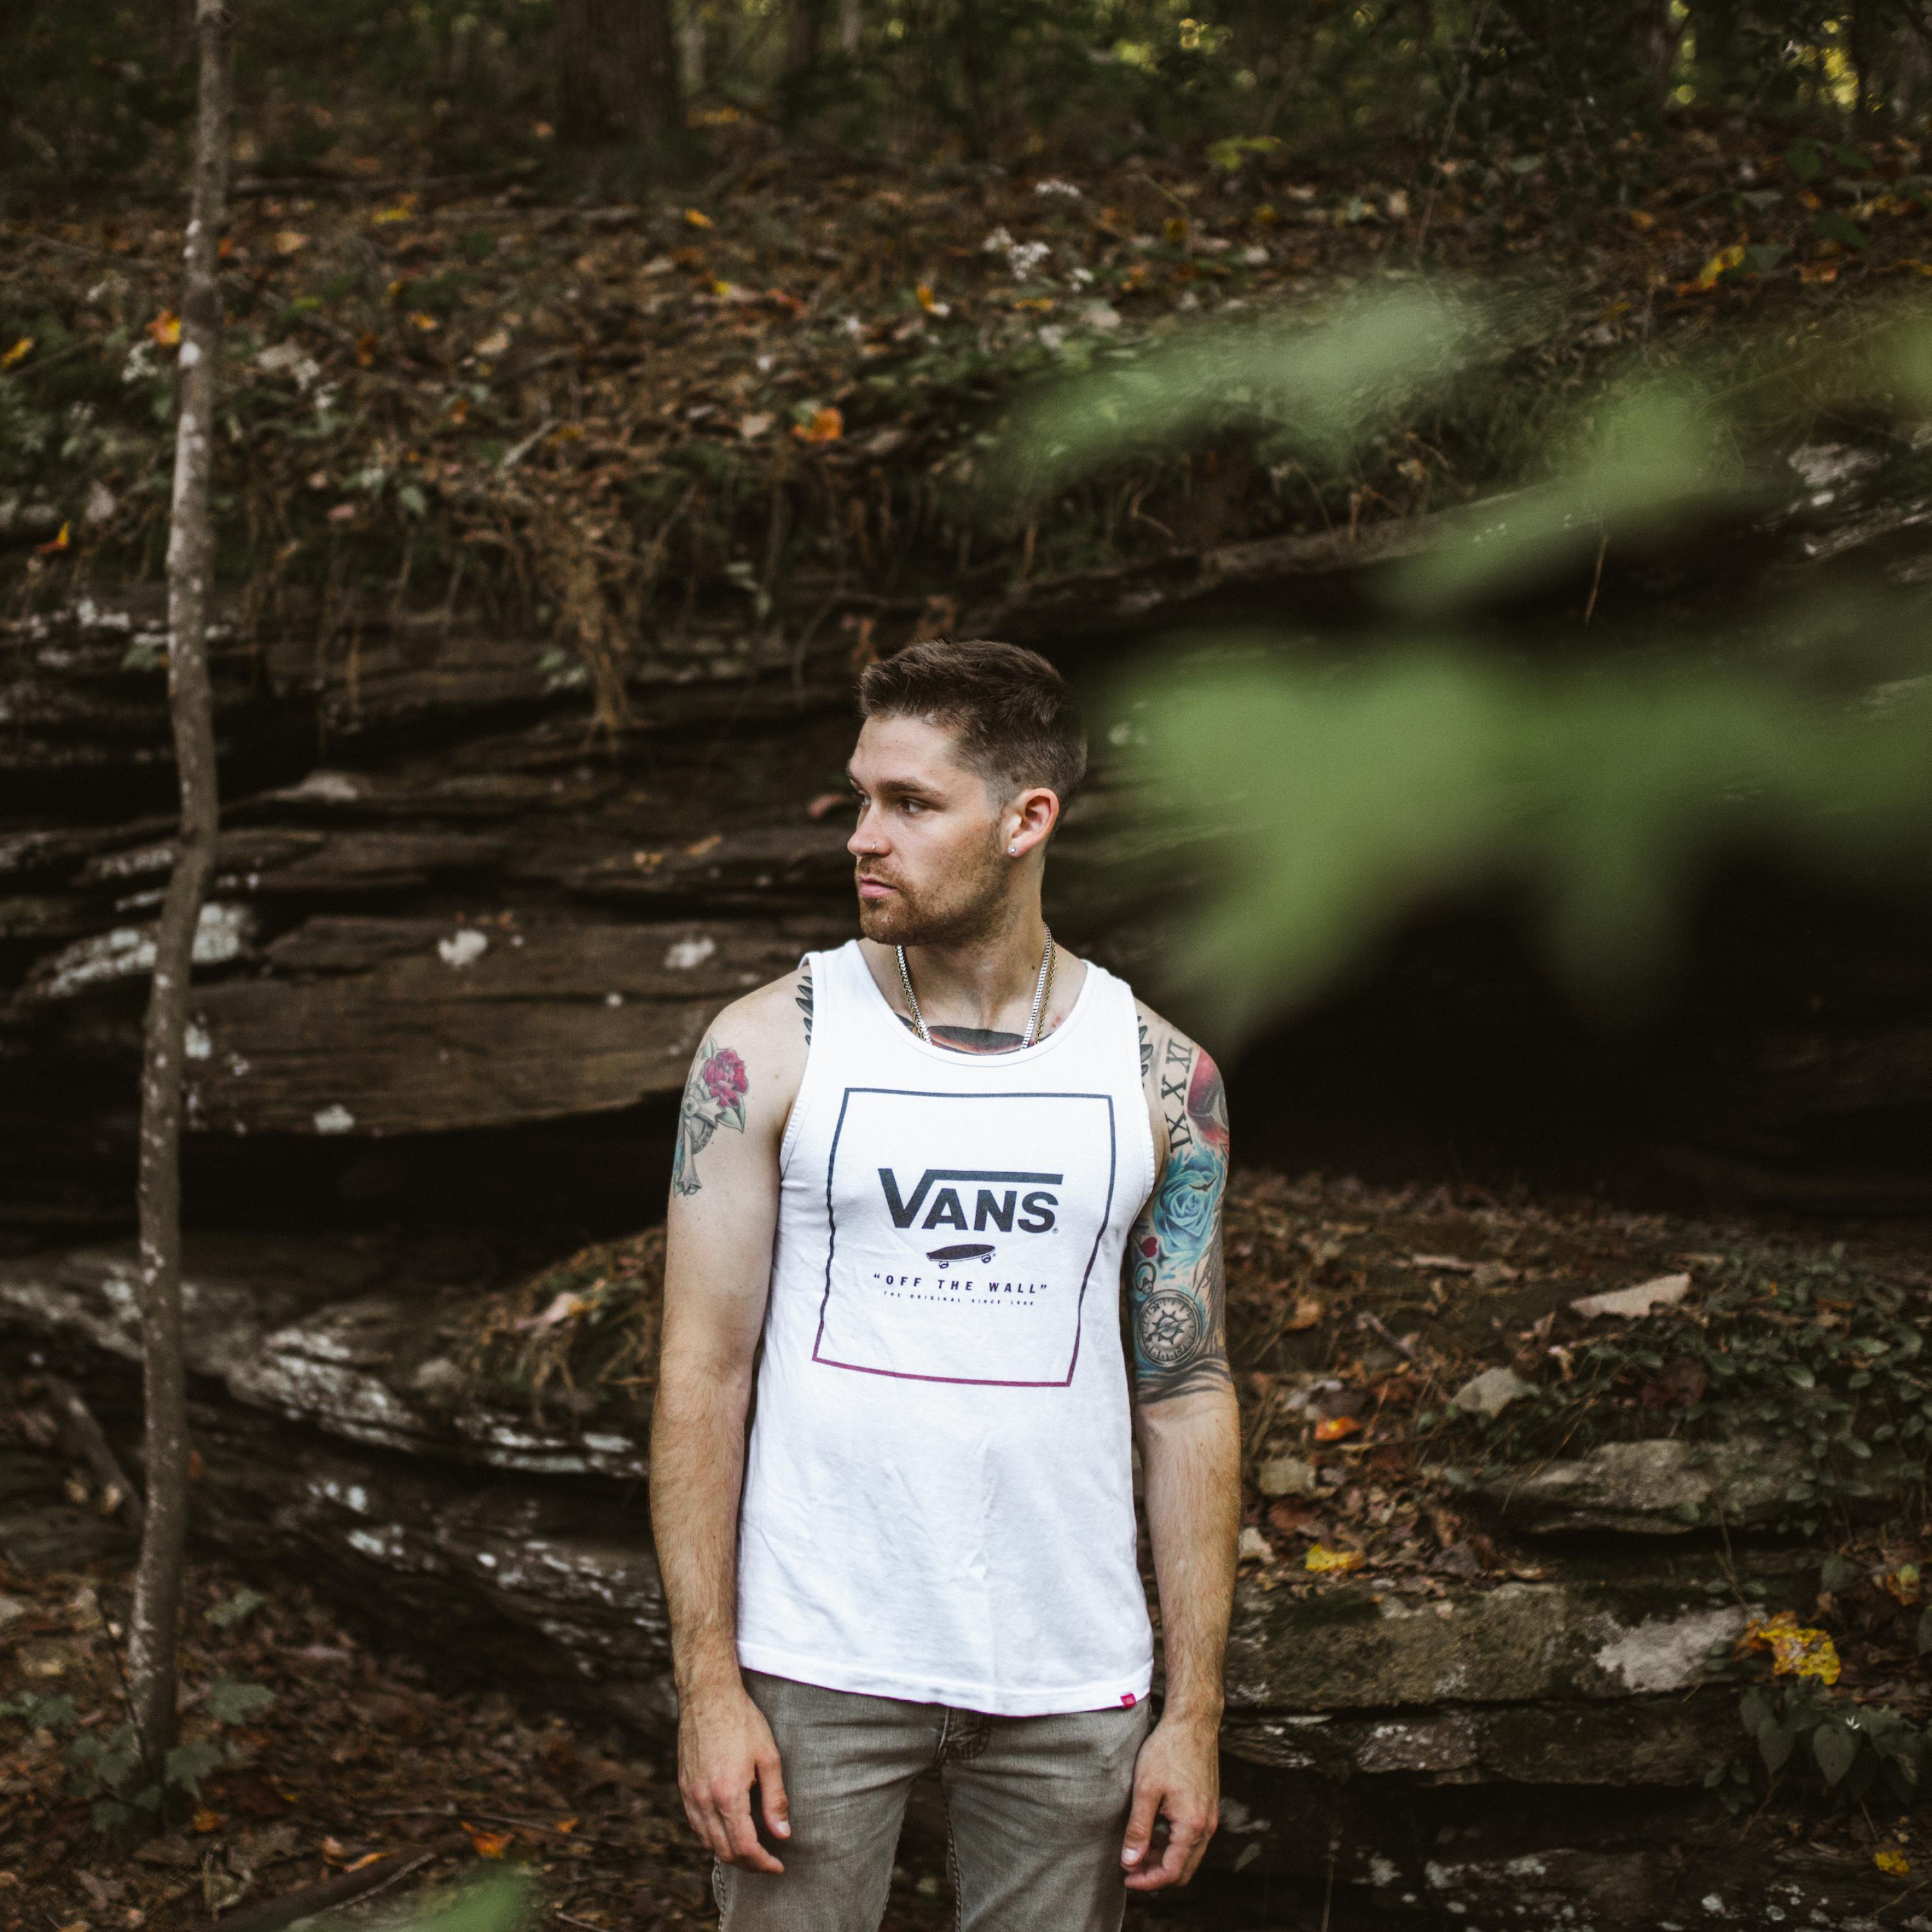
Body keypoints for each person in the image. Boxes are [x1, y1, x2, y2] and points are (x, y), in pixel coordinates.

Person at [649, 638, 1240, 1932]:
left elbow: (1187, 1394)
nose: (864, 836)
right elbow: (703, 1368)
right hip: (813, 1663)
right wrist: (708, 1685)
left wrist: (1193, 1713)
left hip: (1071, 1678)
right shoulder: (769, 1047)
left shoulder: (1162, 1080)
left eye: (911, 804)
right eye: (863, 797)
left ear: (1028, 820)